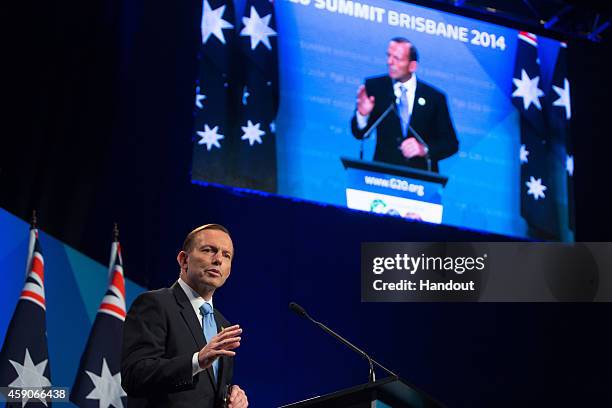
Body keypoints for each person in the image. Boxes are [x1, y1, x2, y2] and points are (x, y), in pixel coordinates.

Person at [121, 224, 249, 408]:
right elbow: (134, 376)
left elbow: (206, 391)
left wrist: (231, 396)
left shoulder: (223, 325)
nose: (218, 260)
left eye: (226, 255)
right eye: (208, 250)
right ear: (183, 260)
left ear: (229, 271)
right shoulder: (154, 304)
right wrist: (197, 361)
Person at [351, 37, 459, 172]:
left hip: (421, 178)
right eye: (389, 56)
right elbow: (359, 134)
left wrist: (424, 149)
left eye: (397, 58)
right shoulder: (376, 87)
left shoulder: (434, 98)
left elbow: (450, 144)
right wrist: (362, 115)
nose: (389, 62)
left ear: (412, 66)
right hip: (382, 177)